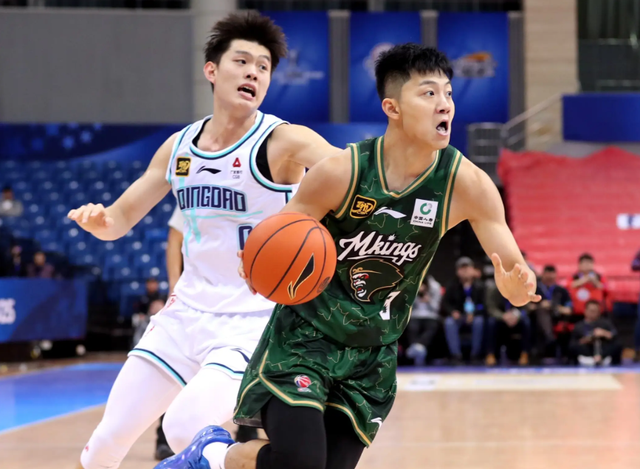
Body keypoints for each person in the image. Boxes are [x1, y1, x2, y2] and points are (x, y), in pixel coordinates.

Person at [159, 43, 540, 469]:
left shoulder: (467, 184)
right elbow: (279, 234)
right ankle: (212, 453)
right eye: (429, 93)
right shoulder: (343, 171)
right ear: (392, 108)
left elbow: (515, 272)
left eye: (448, 93)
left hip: (372, 353)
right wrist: (258, 265)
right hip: (305, 338)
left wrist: (517, 288)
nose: (444, 104)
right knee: (302, 462)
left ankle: (213, 456)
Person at [69, 11, 341, 469]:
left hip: (250, 320)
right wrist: (100, 220)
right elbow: (120, 219)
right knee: (103, 446)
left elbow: (349, 173)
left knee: (183, 427)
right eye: (242, 61)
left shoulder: (283, 141)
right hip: (184, 315)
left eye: (263, 67)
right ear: (211, 71)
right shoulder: (179, 147)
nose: (253, 73)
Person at [569, 300, 621, 366]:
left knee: (617, 345)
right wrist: (587, 339)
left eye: (596, 311)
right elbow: (574, 342)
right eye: (591, 311)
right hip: (586, 350)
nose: (593, 313)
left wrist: (604, 333)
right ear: (585, 311)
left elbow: (614, 334)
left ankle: (604, 360)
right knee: (573, 347)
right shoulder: (579, 325)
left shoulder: (605, 323)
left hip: (603, 349)